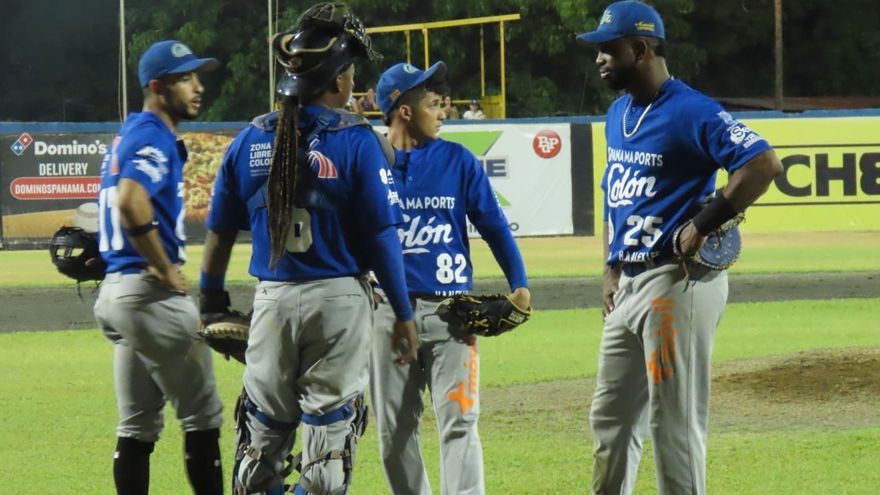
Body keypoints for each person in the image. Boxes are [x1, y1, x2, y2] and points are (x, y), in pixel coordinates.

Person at [198, 3, 418, 494]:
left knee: (259, 452)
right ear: (337, 80)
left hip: (272, 301)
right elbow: (382, 237)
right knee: (327, 458)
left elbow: (219, 233)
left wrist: (210, 300)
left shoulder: (249, 139)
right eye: (351, 72)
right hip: (338, 302)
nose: (354, 82)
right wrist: (403, 314)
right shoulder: (357, 140)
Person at [576, 2, 783, 494]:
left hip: (677, 282)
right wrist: (610, 266)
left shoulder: (691, 109)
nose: (599, 58)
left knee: (673, 424)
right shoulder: (618, 113)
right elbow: (615, 196)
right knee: (610, 419)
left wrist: (705, 222)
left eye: (608, 49)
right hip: (629, 284)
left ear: (639, 49)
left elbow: (763, 164)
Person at [371, 61, 530, 495]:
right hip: (387, 317)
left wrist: (519, 283)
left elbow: (494, 225)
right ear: (405, 112)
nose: (444, 113)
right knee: (394, 433)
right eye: (434, 105)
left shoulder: (458, 161)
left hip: (452, 315)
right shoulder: (369, 164)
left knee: (460, 422)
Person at [93, 40, 224, 495]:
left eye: (196, 76)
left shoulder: (130, 133)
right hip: (149, 294)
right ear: (157, 87)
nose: (197, 86)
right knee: (203, 417)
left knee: (137, 426)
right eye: (185, 78)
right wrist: (164, 267)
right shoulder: (152, 133)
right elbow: (131, 202)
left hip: (116, 293)